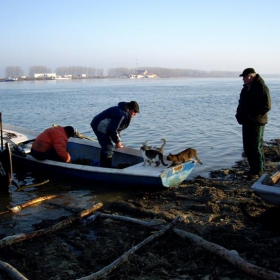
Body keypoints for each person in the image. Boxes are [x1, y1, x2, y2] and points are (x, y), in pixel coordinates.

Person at [235, 68, 271, 180]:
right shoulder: (246, 89)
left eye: (244, 77)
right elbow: (241, 103)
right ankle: (252, 169)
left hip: (257, 122)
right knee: (248, 147)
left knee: (256, 147)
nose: (243, 79)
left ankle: (259, 171)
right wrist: (239, 115)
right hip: (246, 121)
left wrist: (252, 115)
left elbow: (267, 106)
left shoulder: (261, 88)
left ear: (251, 76)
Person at [90, 101, 140, 168]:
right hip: (99, 124)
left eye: (136, 112)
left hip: (105, 126)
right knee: (108, 148)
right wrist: (117, 141)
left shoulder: (125, 114)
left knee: (106, 146)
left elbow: (118, 129)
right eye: (135, 111)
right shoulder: (122, 114)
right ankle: (106, 169)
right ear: (130, 109)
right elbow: (112, 130)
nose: (135, 114)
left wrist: (118, 141)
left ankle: (102, 165)